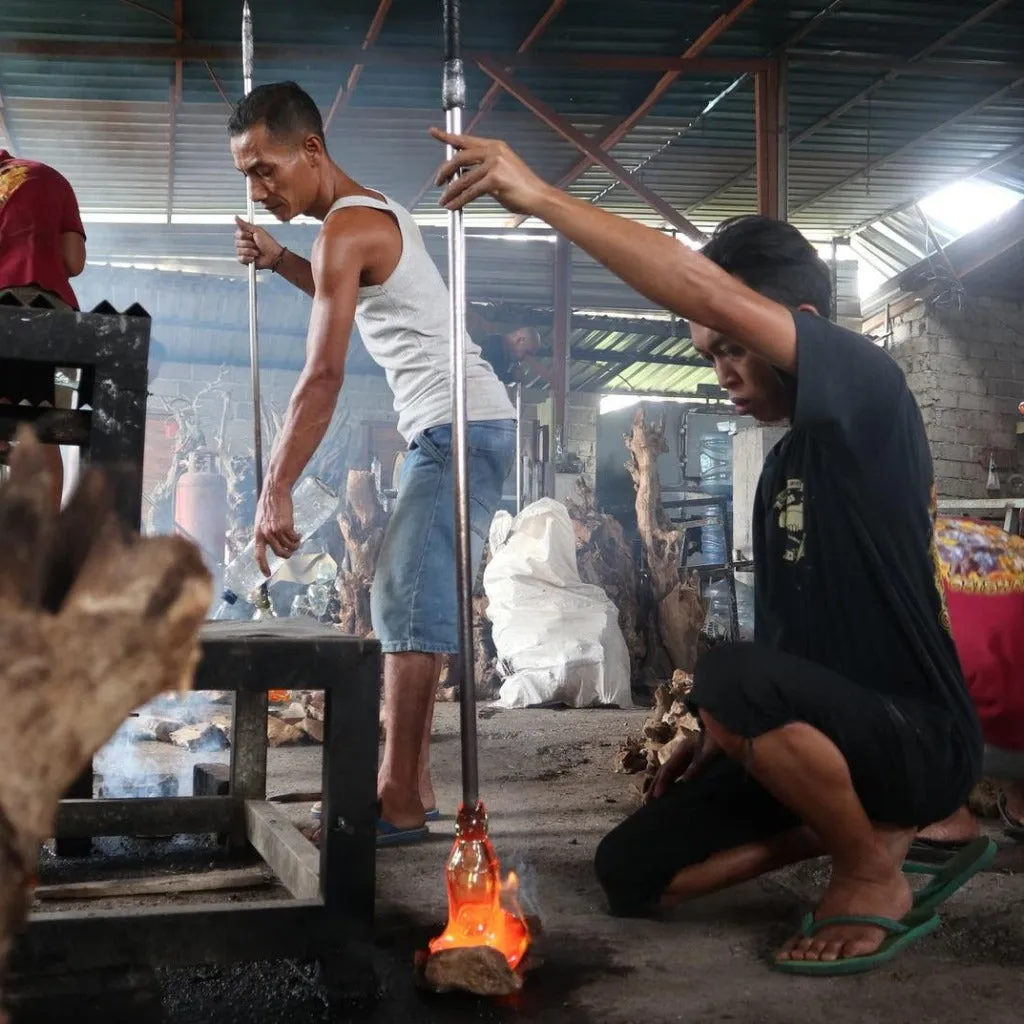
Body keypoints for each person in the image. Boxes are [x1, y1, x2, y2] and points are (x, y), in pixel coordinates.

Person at [430, 128, 988, 973]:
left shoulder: (872, 393)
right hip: (835, 746)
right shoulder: (780, 472)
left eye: (731, 343)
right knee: (631, 873)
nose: (721, 368)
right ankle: (851, 829)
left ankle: (872, 869)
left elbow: (699, 284)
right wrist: (720, 736)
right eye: (708, 353)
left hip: (918, 739)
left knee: (722, 668)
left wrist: (542, 200)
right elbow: (788, 650)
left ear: (796, 326)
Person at [228, 83, 515, 845]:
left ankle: (395, 802)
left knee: (404, 603)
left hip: (460, 426)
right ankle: (411, 785)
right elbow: (347, 294)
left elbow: (322, 375)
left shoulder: (346, 230)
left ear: (312, 150)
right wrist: (281, 258)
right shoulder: (364, 216)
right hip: (460, 424)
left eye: (266, 169)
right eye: (246, 178)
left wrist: (276, 485)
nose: (259, 191)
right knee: (407, 597)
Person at [0, 148, 87, 509]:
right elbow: (74, 261)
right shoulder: (53, 178)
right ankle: (43, 543)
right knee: (46, 428)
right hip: (59, 320)